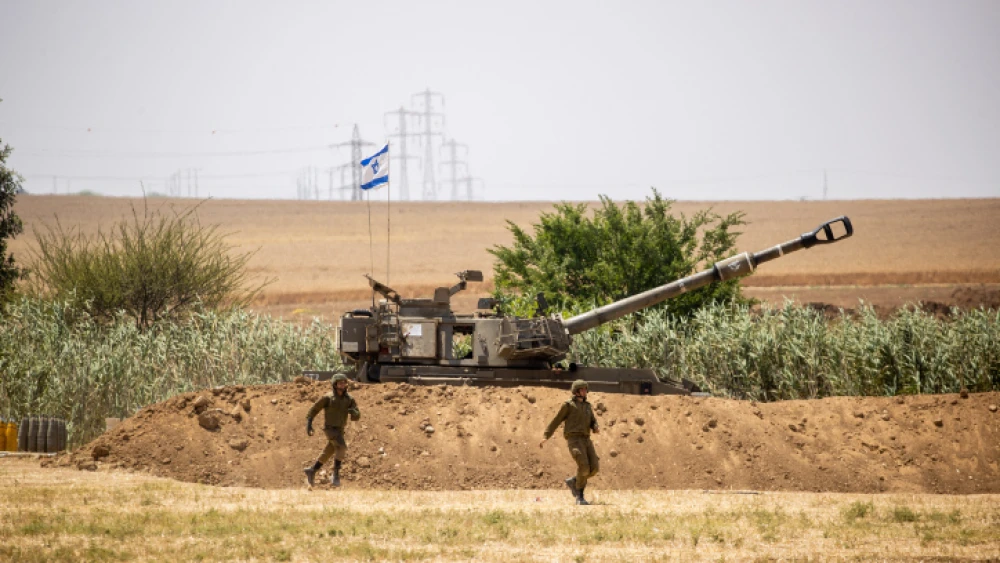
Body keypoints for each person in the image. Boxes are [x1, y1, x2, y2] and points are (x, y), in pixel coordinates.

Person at [539, 379, 600, 505]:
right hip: (574, 440)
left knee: (594, 468)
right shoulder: (568, 405)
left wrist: (595, 426)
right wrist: (546, 435)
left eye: (585, 389)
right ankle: (580, 496)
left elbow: (593, 420)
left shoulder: (587, 406)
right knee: (584, 467)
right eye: (582, 389)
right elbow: (556, 420)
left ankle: (574, 481)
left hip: (586, 439)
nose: (584, 391)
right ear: (576, 391)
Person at [303, 373, 360, 487]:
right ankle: (335, 474)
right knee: (342, 447)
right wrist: (309, 423)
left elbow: (356, 416)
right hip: (330, 429)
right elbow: (315, 409)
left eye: (344, 383)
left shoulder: (349, 399)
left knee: (329, 451)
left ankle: (312, 470)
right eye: (340, 383)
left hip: (340, 430)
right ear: (335, 384)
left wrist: (354, 413)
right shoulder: (328, 398)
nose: (342, 385)